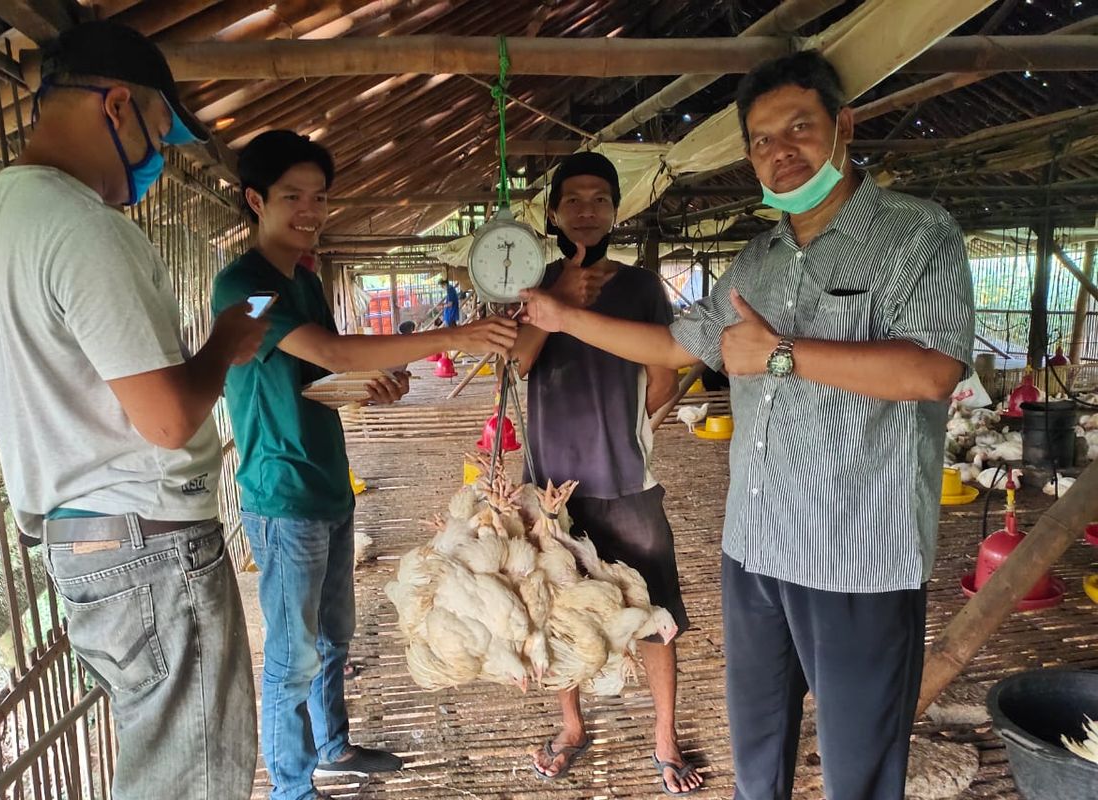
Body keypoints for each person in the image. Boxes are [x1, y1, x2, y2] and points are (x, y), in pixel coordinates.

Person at [520, 50, 975, 800]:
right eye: (762, 139)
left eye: (799, 126)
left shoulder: (915, 235)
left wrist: (783, 356)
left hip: (854, 551)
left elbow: (932, 371)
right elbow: (673, 344)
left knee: (857, 763)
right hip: (756, 548)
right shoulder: (756, 260)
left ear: (844, 125)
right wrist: (561, 314)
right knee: (756, 748)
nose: (780, 150)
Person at [0, 21, 263, 800]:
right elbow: (164, 421)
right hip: (149, 541)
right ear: (116, 106)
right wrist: (225, 340)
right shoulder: (84, 228)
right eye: (159, 131)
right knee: (192, 780)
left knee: (159, 768)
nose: (160, 160)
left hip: (78, 539)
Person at [212, 130, 518, 800]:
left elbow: (319, 370)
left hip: (325, 480)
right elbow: (331, 351)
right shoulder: (247, 287)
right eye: (292, 196)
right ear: (255, 199)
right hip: (281, 489)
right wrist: (458, 336)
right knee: (292, 655)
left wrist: (377, 380)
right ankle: (293, 789)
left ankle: (333, 747)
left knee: (332, 639)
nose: (310, 209)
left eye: (319, 197)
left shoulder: (301, 281)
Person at [516, 152, 702, 795]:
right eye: (574, 198)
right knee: (556, 608)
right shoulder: (531, 284)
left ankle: (665, 736)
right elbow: (515, 365)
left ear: (616, 211)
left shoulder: (642, 286)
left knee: (654, 611)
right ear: (553, 211)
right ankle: (571, 725)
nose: (587, 209)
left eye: (600, 198)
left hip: (624, 479)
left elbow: (664, 375)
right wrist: (557, 301)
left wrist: (634, 431)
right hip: (548, 487)